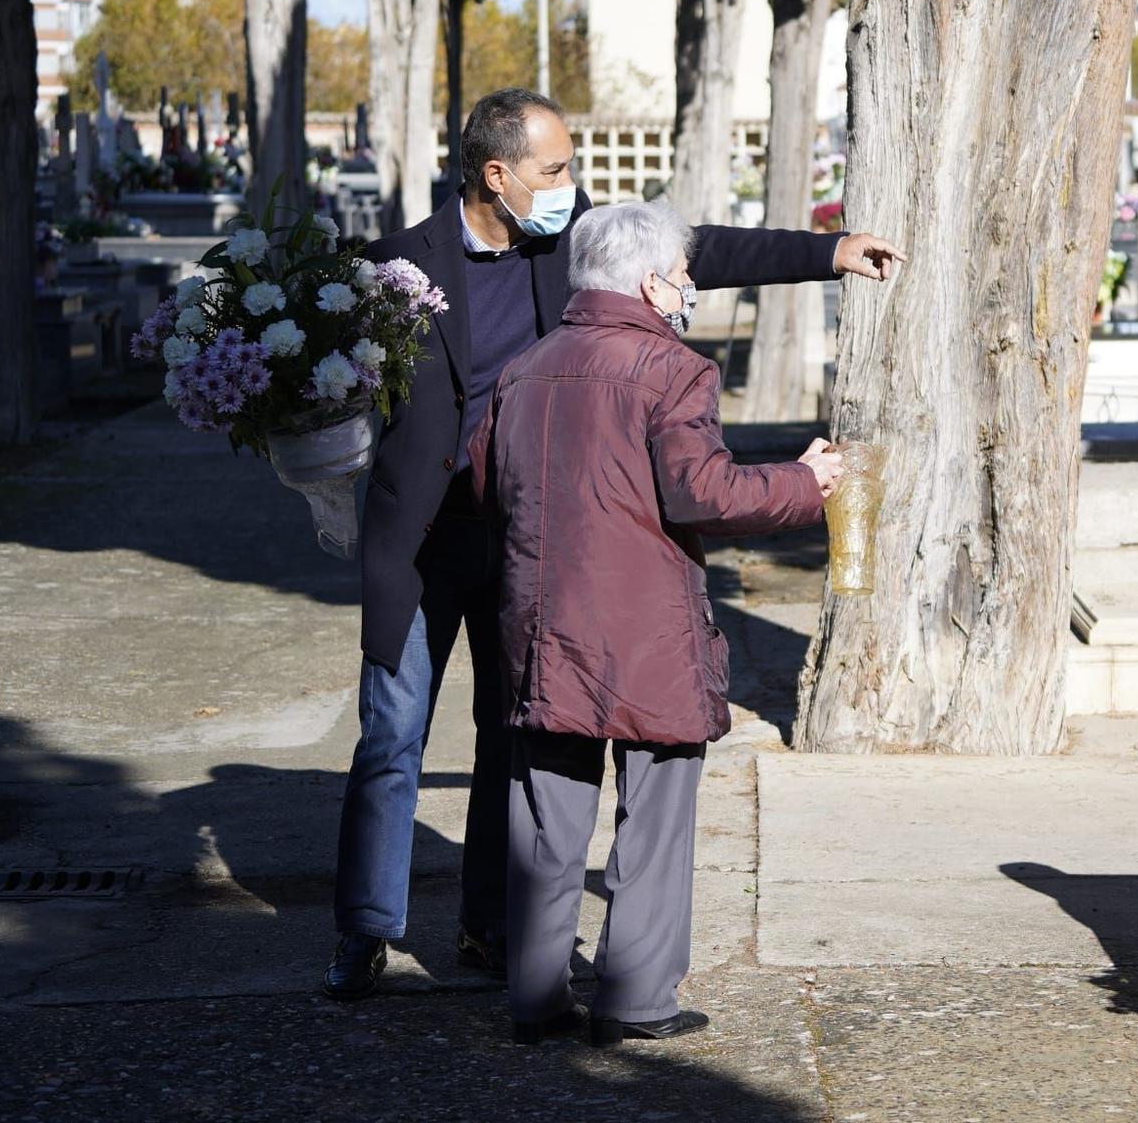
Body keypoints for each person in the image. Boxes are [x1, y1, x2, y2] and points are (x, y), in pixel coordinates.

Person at [323, 88, 903, 999]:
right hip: (419, 544)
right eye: (554, 169)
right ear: (495, 174)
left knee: (507, 741)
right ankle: (363, 931)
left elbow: (690, 244)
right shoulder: (399, 264)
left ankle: (489, 927)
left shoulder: (572, 243)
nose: (571, 186)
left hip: (527, 540)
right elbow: (331, 381)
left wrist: (828, 252)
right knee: (391, 735)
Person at [468, 201, 841, 1045]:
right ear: (649, 281)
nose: (688, 289)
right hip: (643, 626)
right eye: (683, 275)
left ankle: (533, 994)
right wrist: (805, 481)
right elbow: (703, 492)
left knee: (544, 821)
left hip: (541, 624)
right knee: (657, 813)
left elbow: (487, 483)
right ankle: (635, 996)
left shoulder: (523, 368)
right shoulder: (673, 371)